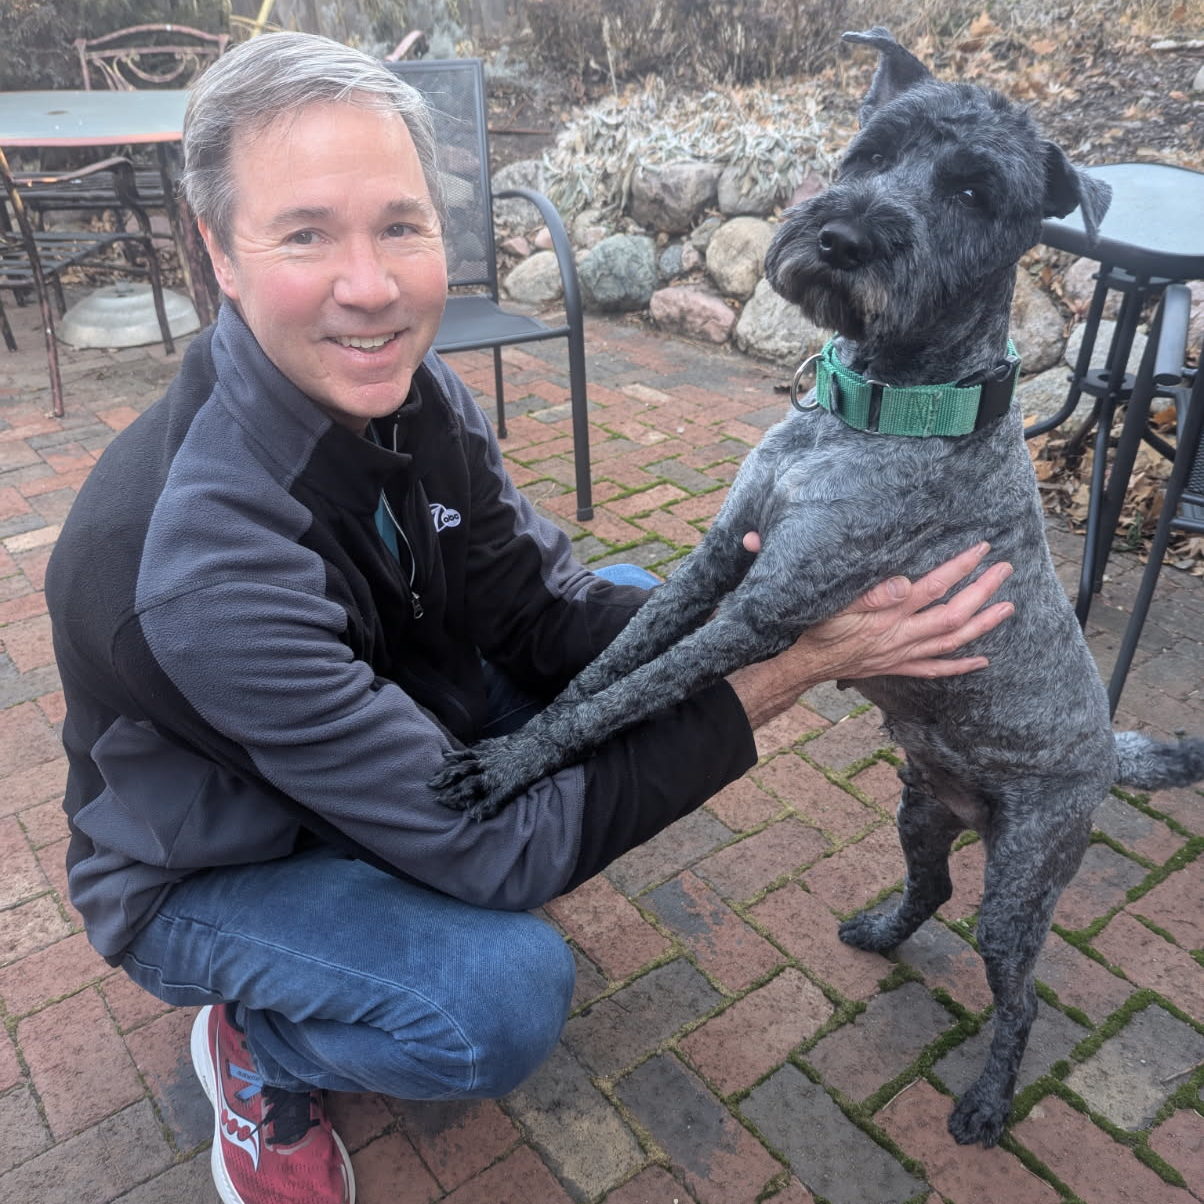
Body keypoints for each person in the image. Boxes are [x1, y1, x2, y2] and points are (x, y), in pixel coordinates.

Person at [44, 32, 1015, 1204]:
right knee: (496, 999)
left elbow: (537, 603)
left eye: (400, 224)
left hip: (393, 738)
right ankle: (261, 1045)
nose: (372, 285)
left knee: (660, 617)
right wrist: (797, 665)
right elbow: (496, 850)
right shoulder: (201, 565)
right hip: (214, 862)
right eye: (306, 233)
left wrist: (755, 613)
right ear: (221, 253)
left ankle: (386, 890)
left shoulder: (409, 389)